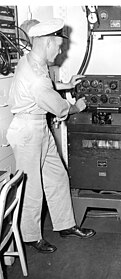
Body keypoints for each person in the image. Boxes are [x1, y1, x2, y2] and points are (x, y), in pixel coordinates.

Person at [6, 18, 95, 254]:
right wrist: (78, 106)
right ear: (46, 43)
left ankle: (65, 225)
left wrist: (65, 84)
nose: (60, 51)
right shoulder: (36, 75)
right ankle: (30, 237)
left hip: (38, 127)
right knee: (32, 188)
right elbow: (60, 108)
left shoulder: (34, 61)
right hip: (27, 132)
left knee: (57, 176)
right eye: (58, 46)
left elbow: (47, 86)